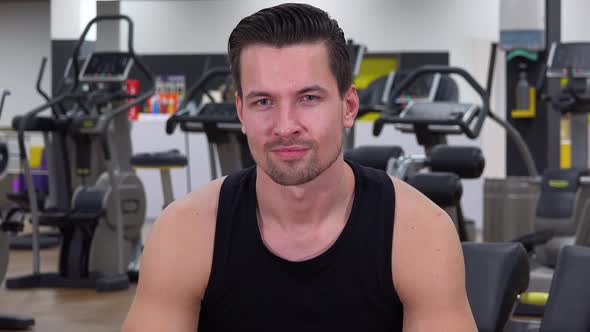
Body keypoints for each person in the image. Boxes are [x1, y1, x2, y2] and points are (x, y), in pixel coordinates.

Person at [123, 3, 477, 331]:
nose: (285, 125)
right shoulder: (184, 232)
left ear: (349, 106)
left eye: (308, 98)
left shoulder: (418, 233)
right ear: (241, 112)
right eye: (263, 101)